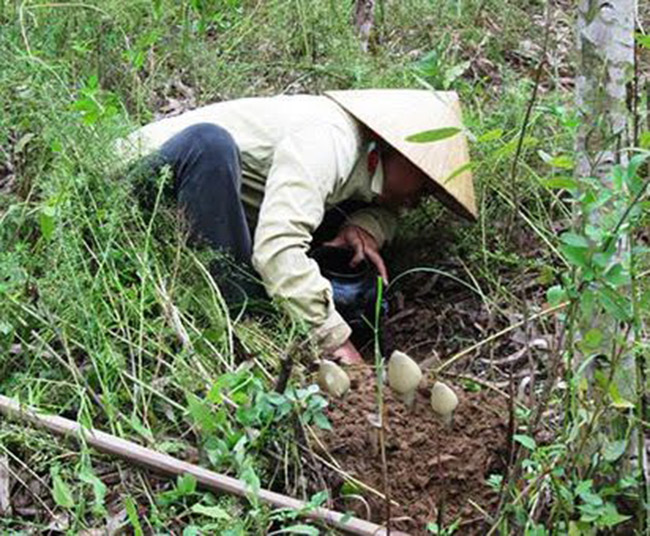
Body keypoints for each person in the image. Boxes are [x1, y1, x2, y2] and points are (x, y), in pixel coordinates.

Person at [118, 89, 476, 365]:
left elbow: (387, 211)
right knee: (209, 145)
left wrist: (365, 226)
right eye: (425, 184)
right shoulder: (331, 141)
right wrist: (335, 340)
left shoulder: (367, 164)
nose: (422, 197)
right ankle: (251, 324)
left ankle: (271, 307)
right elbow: (279, 248)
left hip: (221, 201)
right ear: (393, 149)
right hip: (141, 187)